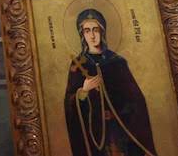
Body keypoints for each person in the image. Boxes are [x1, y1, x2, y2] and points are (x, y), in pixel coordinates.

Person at [64, 9, 156, 156]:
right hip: (95, 134)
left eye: (96, 30)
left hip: (120, 130)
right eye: (87, 31)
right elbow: (69, 105)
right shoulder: (78, 65)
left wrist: (120, 112)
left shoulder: (117, 62)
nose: (92, 35)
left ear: (102, 31)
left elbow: (136, 100)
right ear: (82, 34)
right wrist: (83, 91)